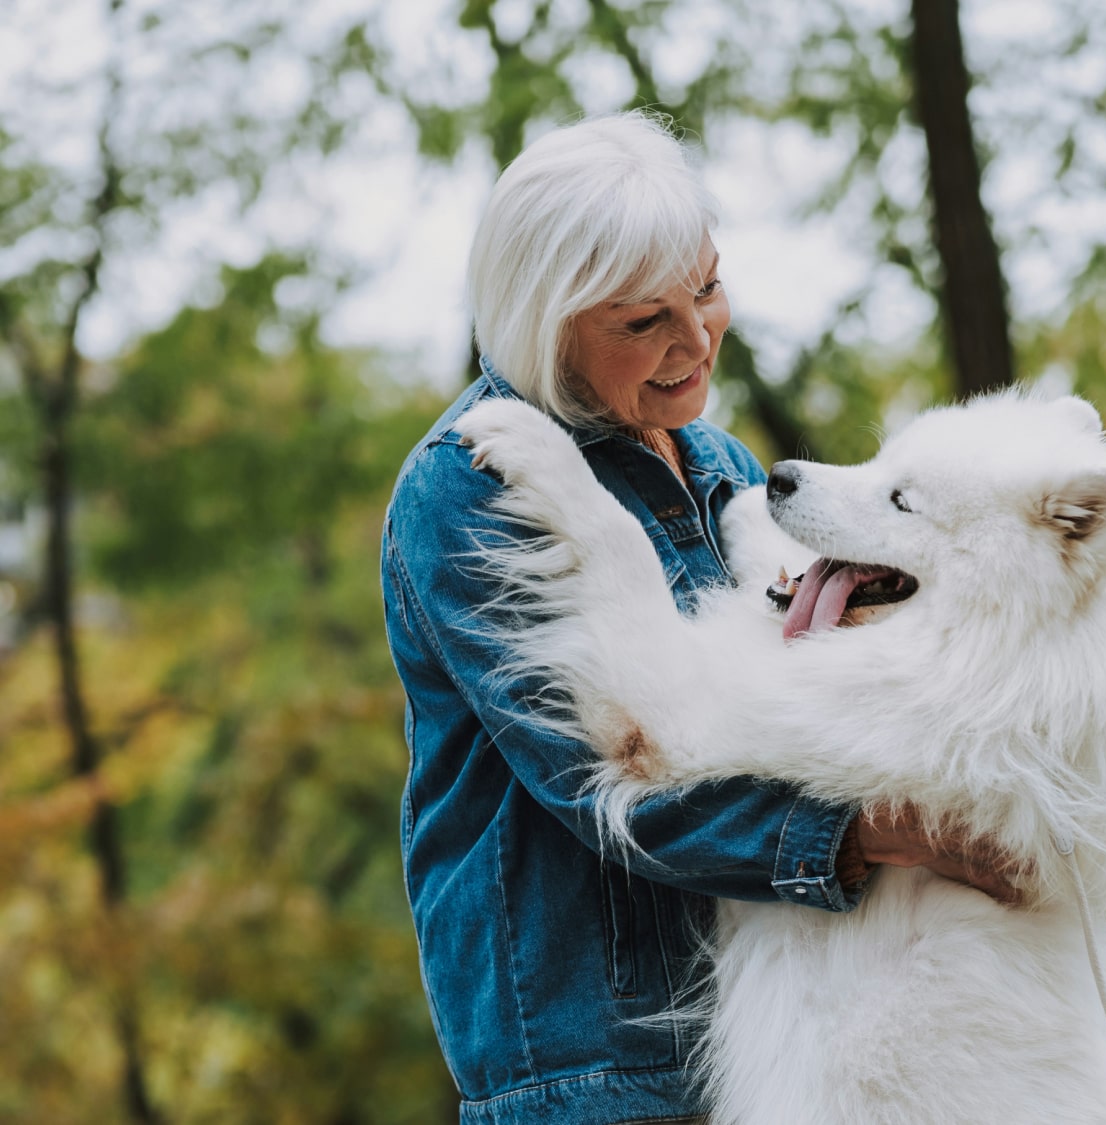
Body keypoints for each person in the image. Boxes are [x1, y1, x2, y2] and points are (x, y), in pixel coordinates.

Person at [380, 111, 1020, 1125]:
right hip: (595, 1069)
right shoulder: (471, 488)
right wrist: (876, 834)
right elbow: (612, 779)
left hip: (778, 1036)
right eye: (644, 322)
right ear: (547, 324)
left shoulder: (721, 468)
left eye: (709, 288)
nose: (696, 341)